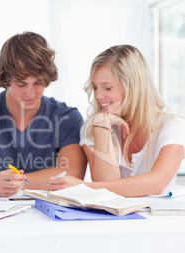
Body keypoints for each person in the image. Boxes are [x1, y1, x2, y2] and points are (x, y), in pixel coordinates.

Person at [0, 31, 87, 197]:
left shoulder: (67, 118)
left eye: (38, 83)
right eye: (21, 84)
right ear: (5, 79)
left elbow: (71, 175)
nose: (30, 93)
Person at [47, 44, 185, 197]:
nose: (99, 96)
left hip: (158, 219)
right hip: (115, 220)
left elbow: (157, 183)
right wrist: (102, 126)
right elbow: (106, 187)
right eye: (95, 88)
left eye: (107, 88)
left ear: (133, 87)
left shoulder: (172, 125)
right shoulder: (94, 126)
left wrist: (84, 187)